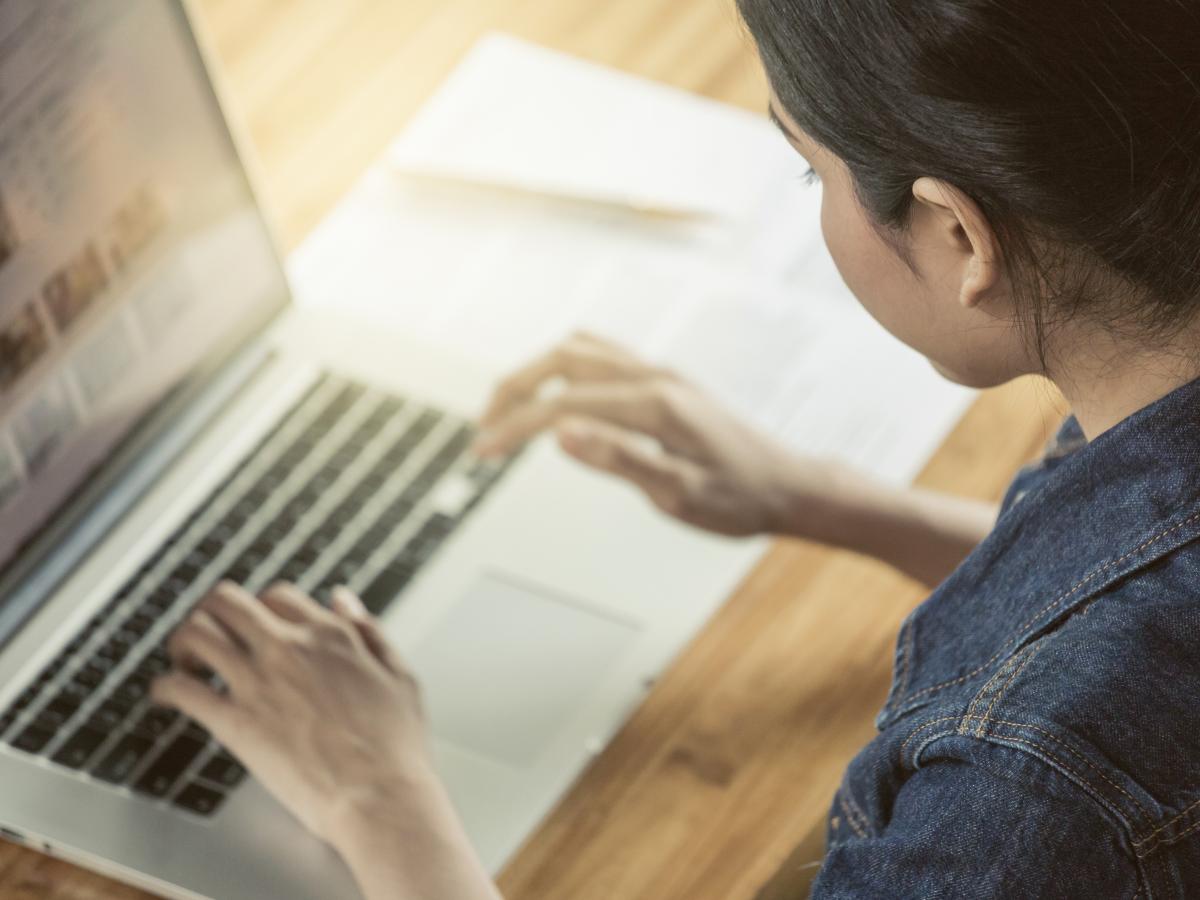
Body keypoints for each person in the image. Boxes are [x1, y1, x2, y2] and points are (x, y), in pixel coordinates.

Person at [151, 0, 1200, 896]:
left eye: (809, 174)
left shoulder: (1022, 798)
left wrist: (377, 802)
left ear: (960, 237)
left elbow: (1105, 702)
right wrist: (823, 496)